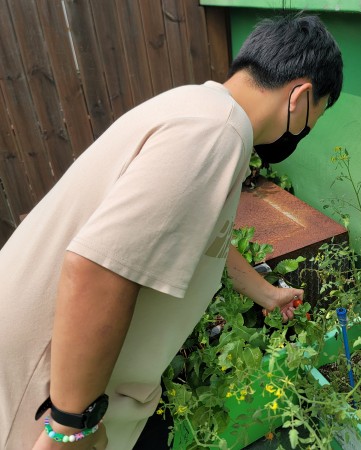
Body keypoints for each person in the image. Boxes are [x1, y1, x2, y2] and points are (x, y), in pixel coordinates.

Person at [0, 13, 343, 450]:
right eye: (318, 115)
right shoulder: (217, 133)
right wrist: (70, 428)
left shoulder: (201, 108)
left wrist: (266, 292)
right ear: (301, 96)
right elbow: (98, 268)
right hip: (41, 393)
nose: (308, 131)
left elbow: (204, 237)